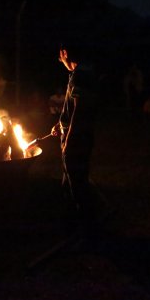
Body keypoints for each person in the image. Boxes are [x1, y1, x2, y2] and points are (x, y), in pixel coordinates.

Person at [51, 41, 106, 237]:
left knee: (78, 184)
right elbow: (72, 107)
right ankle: (74, 225)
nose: (60, 60)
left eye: (60, 55)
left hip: (78, 138)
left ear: (65, 52)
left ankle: (88, 229)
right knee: (70, 182)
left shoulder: (82, 74)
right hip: (75, 135)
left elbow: (81, 110)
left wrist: (70, 139)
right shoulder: (80, 73)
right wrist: (61, 123)